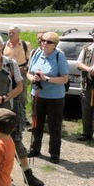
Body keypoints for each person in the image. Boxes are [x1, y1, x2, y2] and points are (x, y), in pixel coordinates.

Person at [0, 34, 44, 186]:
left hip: (7, 110)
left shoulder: (11, 64)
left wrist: (4, 97)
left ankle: (28, 175)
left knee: (16, 142)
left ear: (1, 47)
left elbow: (19, 87)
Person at [27, 32, 68, 164]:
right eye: (43, 40)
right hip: (38, 95)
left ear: (55, 44)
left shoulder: (59, 56)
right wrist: (33, 78)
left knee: (54, 126)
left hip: (55, 97)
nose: (44, 43)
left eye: (48, 42)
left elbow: (64, 79)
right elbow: (28, 73)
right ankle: (35, 148)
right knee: (36, 123)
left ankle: (54, 154)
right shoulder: (36, 53)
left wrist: (46, 78)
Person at [3, 26, 33, 128]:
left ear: (18, 34)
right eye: (9, 32)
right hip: (7, 74)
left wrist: (25, 69)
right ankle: (8, 115)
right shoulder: (4, 45)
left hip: (21, 73)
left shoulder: (26, 45)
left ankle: (22, 117)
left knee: (22, 95)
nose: (10, 34)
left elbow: (30, 60)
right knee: (8, 93)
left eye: (13, 33)